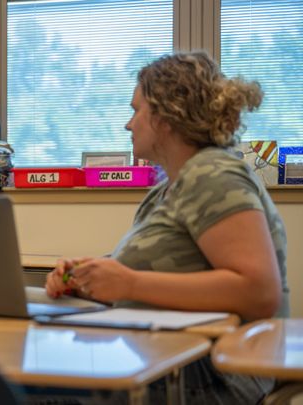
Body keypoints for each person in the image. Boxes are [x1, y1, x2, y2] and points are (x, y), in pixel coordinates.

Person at [45, 52, 288, 404]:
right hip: (170, 355)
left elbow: (260, 292)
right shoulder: (166, 187)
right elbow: (150, 277)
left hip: (212, 372)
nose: (129, 125)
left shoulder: (212, 173)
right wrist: (85, 281)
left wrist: (128, 282)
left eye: (135, 111)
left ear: (165, 118)